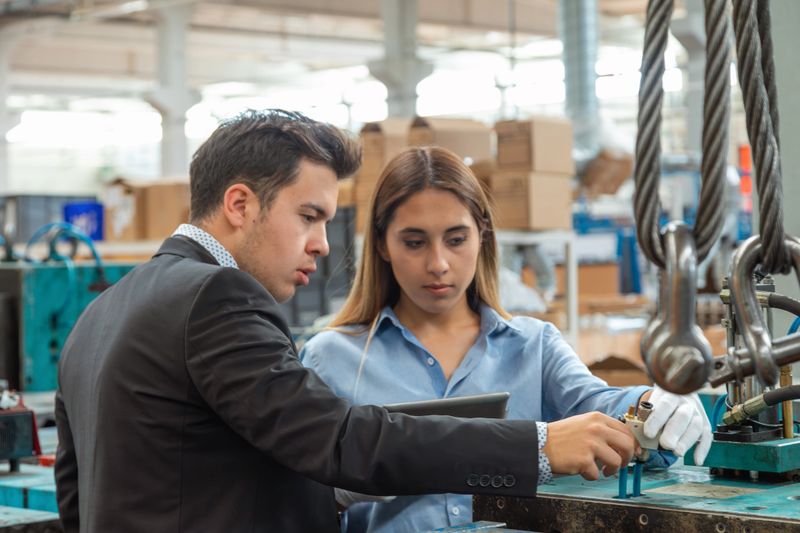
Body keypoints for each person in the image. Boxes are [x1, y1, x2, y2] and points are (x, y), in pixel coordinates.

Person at [54, 110, 640, 533]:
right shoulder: (217, 296)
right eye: (309, 217)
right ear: (239, 205)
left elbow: (76, 498)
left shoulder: (99, 313)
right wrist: (537, 444)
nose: (321, 246)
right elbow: (344, 441)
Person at [300, 146, 713, 533]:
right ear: (381, 244)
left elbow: (598, 405)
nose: (438, 263)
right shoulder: (331, 358)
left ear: (482, 236)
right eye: (414, 242)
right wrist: (334, 490)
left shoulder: (533, 346)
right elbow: (289, 502)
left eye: (457, 239)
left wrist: (654, 406)